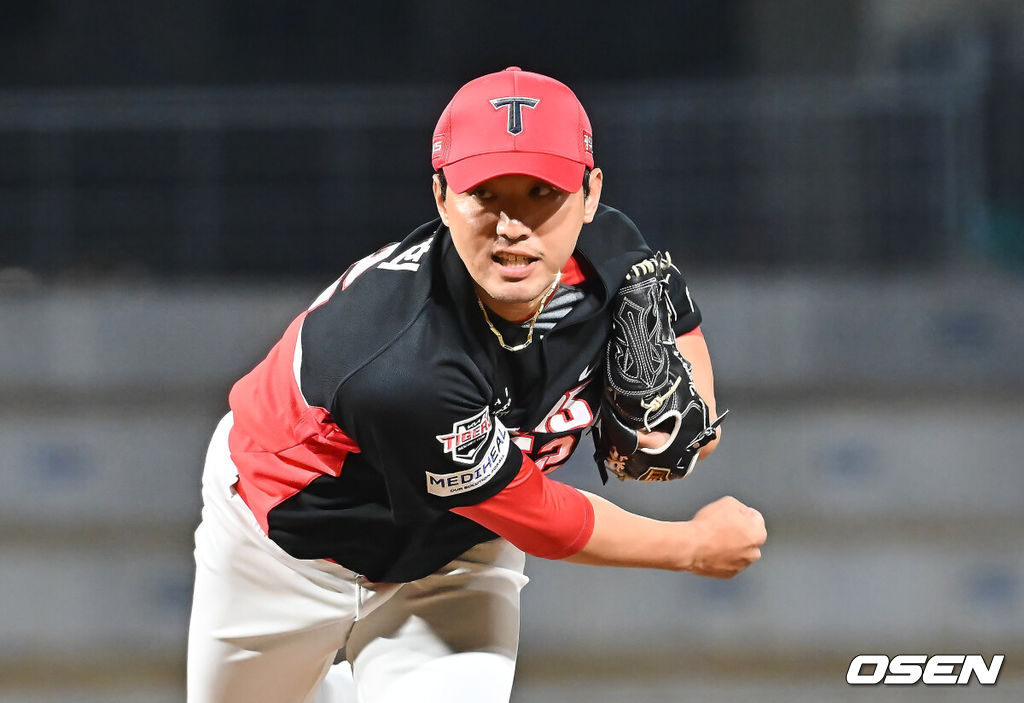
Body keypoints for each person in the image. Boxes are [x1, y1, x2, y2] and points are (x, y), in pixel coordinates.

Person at [186, 66, 766, 703]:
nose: (513, 225)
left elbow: (678, 327)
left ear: (591, 192)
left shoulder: (611, 251)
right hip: (289, 548)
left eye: (542, 192)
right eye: (486, 193)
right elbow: (540, 519)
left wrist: (690, 423)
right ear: (440, 196)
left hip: (454, 553)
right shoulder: (401, 362)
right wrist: (694, 545)